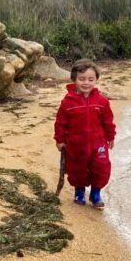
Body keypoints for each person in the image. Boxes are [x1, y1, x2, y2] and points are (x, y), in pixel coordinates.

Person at [54, 58, 116, 209]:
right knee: (77, 169)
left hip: (98, 143)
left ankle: (96, 194)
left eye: (90, 79)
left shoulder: (101, 101)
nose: (86, 83)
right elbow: (60, 123)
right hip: (76, 144)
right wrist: (59, 139)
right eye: (81, 79)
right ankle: (79, 192)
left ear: (96, 80)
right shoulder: (68, 102)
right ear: (74, 79)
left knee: (101, 167)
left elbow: (108, 121)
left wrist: (110, 136)